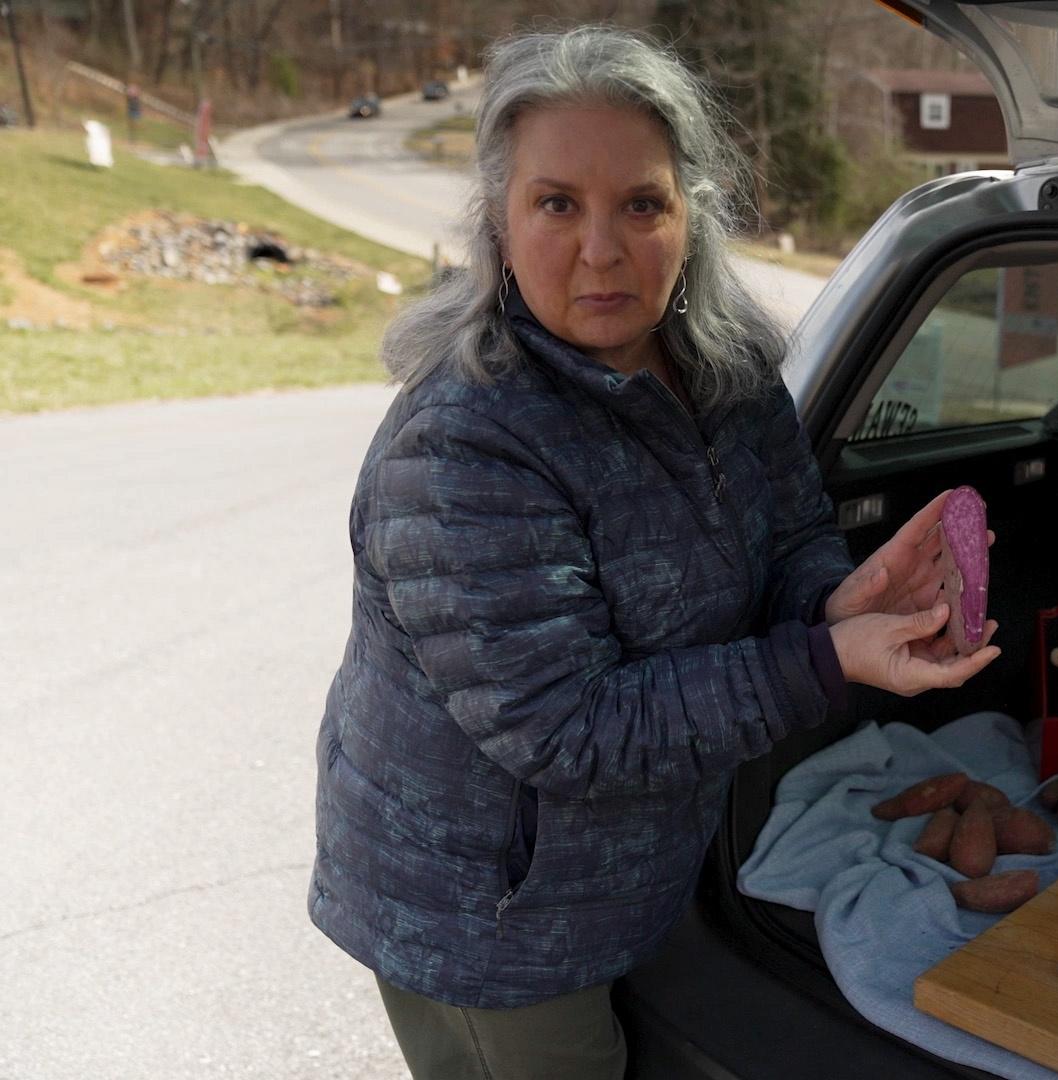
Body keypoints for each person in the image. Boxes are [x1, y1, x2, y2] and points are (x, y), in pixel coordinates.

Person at [308, 26, 1001, 1080]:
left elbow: (793, 537)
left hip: (638, 867)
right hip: (490, 921)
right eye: (557, 205)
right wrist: (824, 659)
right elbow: (567, 728)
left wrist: (838, 599)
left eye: (640, 204)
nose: (601, 250)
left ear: (692, 213)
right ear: (498, 219)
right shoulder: (464, 442)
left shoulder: (726, 370)